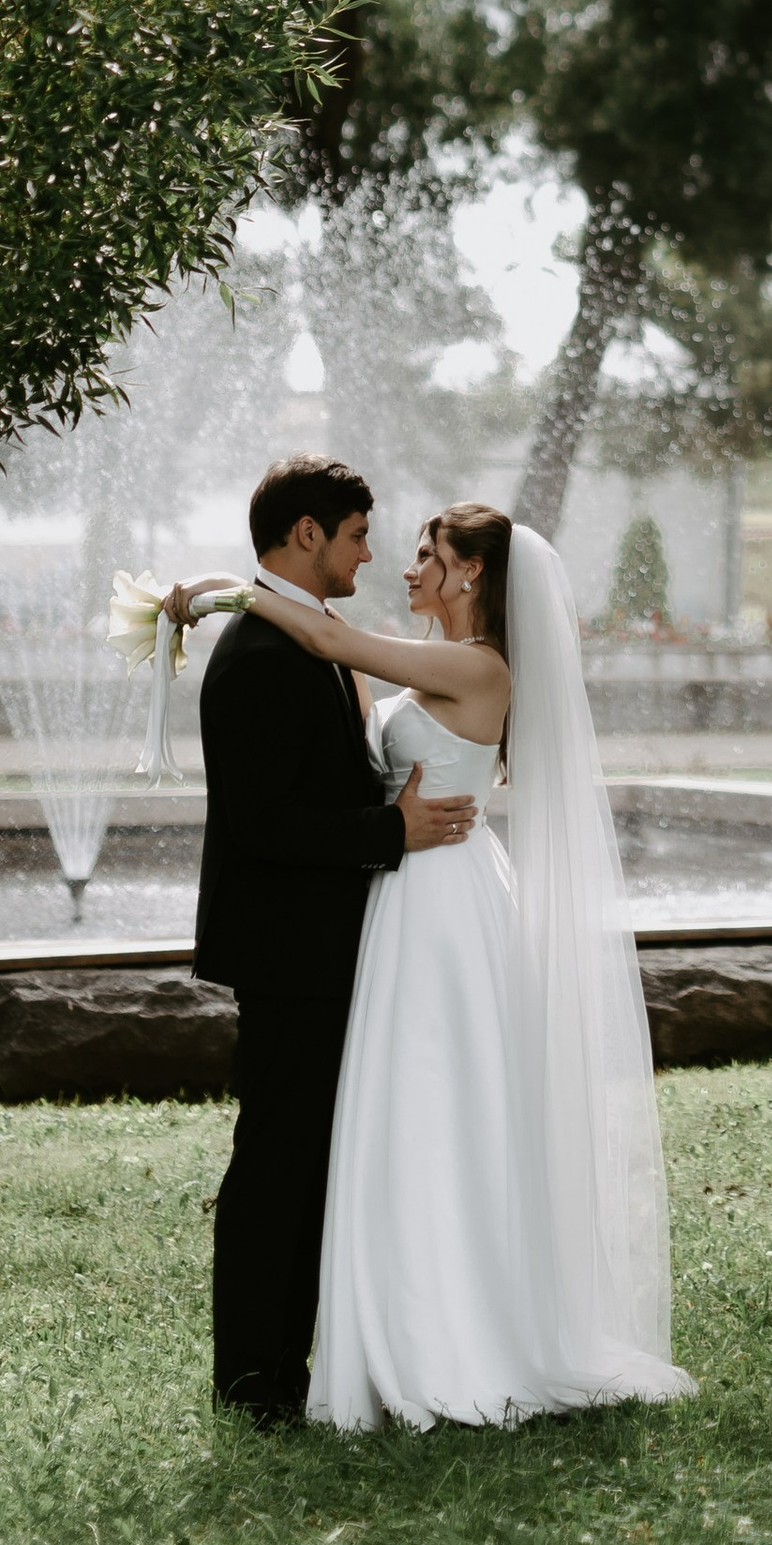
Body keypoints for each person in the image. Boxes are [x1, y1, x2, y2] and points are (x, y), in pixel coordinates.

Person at [171, 501, 693, 1432]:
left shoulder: (477, 665)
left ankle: (449, 1335)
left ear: (473, 575)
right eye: (398, 547)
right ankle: (383, 1331)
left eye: (426, 555)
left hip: (442, 907)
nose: (404, 567)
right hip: (399, 898)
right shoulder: (427, 675)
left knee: (441, 1110)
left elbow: (333, 642)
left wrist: (224, 591)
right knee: (395, 1118)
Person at [190, 455, 478, 1427]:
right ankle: (253, 1379)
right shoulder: (260, 658)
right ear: (306, 534)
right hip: (287, 950)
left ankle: (285, 1363)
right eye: (357, 534)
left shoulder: (297, 640)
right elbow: (266, 822)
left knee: (307, 1160)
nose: (369, 551)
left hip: (324, 946)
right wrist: (390, 832)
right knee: (276, 1160)